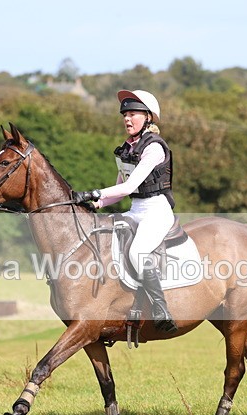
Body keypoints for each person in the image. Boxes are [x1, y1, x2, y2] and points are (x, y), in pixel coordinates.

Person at [73, 90, 177, 332]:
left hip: (157, 211)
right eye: (125, 115)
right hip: (135, 209)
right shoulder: (128, 149)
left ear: (148, 118)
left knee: (138, 252)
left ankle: (161, 308)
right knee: (104, 239)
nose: (127, 119)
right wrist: (96, 205)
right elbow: (121, 190)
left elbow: (131, 185)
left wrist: (93, 193)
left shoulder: (154, 148)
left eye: (133, 114)